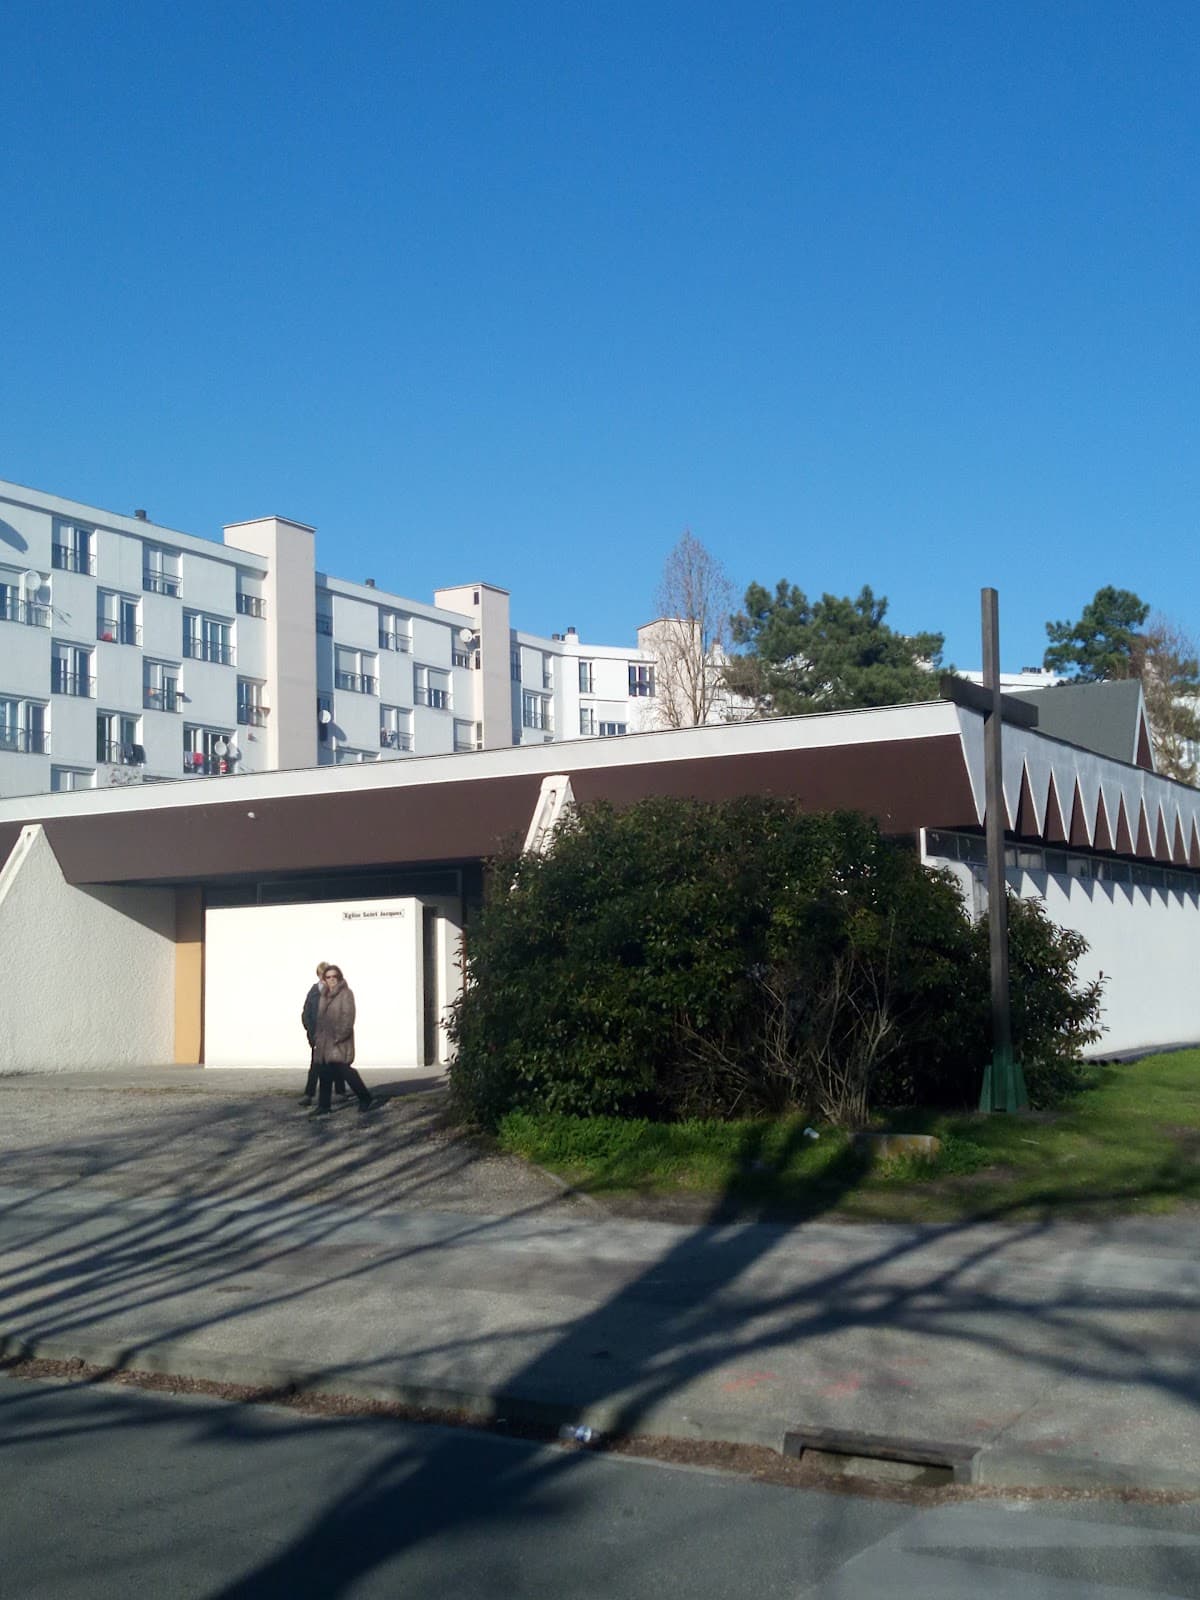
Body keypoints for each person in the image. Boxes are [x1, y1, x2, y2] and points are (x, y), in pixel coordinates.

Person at [311, 964, 373, 1115]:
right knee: (325, 1072)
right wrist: (317, 1037)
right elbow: (320, 1019)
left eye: (334, 976)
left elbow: (348, 1017)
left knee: (344, 1070)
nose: (332, 980)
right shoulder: (324, 995)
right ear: (324, 979)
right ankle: (324, 1106)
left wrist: (339, 1037)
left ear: (339, 977)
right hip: (324, 1042)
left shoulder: (346, 994)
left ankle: (365, 1097)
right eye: (328, 977)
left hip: (339, 1041)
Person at [299, 962, 348, 1105]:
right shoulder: (314, 992)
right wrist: (310, 1032)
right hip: (318, 1036)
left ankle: (340, 1092)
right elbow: (306, 1013)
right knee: (315, 1066)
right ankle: (308, 1095)